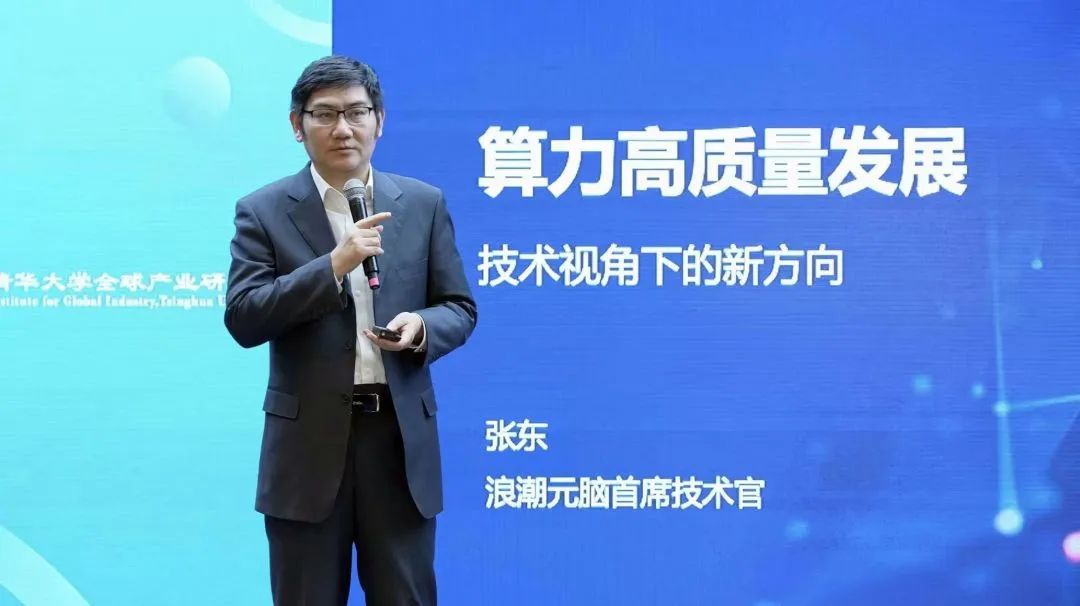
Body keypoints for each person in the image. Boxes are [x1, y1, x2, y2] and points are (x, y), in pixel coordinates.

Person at [224, 54, 477, 605]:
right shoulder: (263, 211)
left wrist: (421, 327)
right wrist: (333, 266)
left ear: (379, 121)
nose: (343, 128)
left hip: (397, 443)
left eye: (357, 112)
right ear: (298, 125)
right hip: (307, 451)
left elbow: (459, 307)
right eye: (325, 114)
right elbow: (244, 316)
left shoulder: (423, 203)